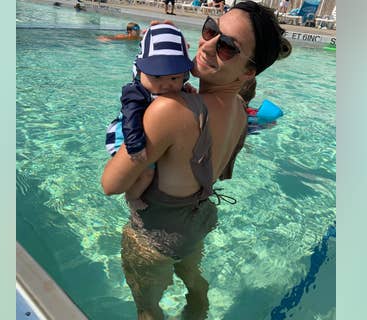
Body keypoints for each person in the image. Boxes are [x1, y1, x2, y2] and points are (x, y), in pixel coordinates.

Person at [101, 2, 291, 319]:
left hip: (155, 236)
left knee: (147, 309)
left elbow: (110, 184)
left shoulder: (172, 110)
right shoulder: (239, 112)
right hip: (196, 222)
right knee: (195, 286)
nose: (208, 45)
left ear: (248, 71)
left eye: (228, 47)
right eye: (211, 29)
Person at [105, 23, 194, 212]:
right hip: (127, 134)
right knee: (146, 173)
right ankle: (132, 198)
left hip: (146, 133)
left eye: (174, 78)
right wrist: (135, 147)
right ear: (140, 71)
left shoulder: (173, 89)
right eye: (156, 77)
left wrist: (186, 91)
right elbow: (130, 118)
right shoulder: (135, 92)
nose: (165, 85)